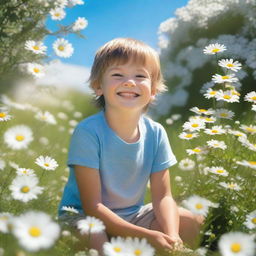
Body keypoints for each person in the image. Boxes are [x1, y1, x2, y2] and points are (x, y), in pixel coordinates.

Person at [58, 38, 203, 255]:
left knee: (190, 221)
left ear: (153, 90)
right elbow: (92, 207)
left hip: (133, 216)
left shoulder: (156, 133)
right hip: (84, 217)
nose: (129, 82)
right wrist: (147, 236)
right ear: (98, 86)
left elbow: (163, 196)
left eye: (140, 76)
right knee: (96, 236)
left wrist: (172, 235)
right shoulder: (88, 131)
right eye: (118, 75)